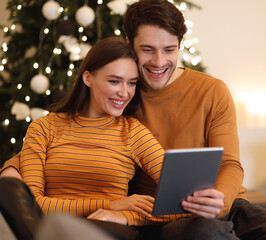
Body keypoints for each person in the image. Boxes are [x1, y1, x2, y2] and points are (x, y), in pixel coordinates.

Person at [1, 0, 266, 239]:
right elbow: (64, 142)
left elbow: (229, 164)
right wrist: (13, 170)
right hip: (164, 210)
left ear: (179, 46)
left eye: (169, 50)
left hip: (221, 202)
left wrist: (221, 202)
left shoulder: (210, 91)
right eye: (147, 50)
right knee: (200, 232)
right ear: (129, 45)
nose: (159, 62)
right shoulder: (117, 102)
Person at [0, 37, 238, 240]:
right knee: (8, 190)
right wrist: (107, 204)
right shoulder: (45, 127)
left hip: (108, 231)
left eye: (132, 83)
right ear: (88, 78)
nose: (124, 93)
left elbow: (182, 203)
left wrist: (125, 215)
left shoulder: (133, 132)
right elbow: (32, 204)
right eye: (114, 81)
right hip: (50, 227)